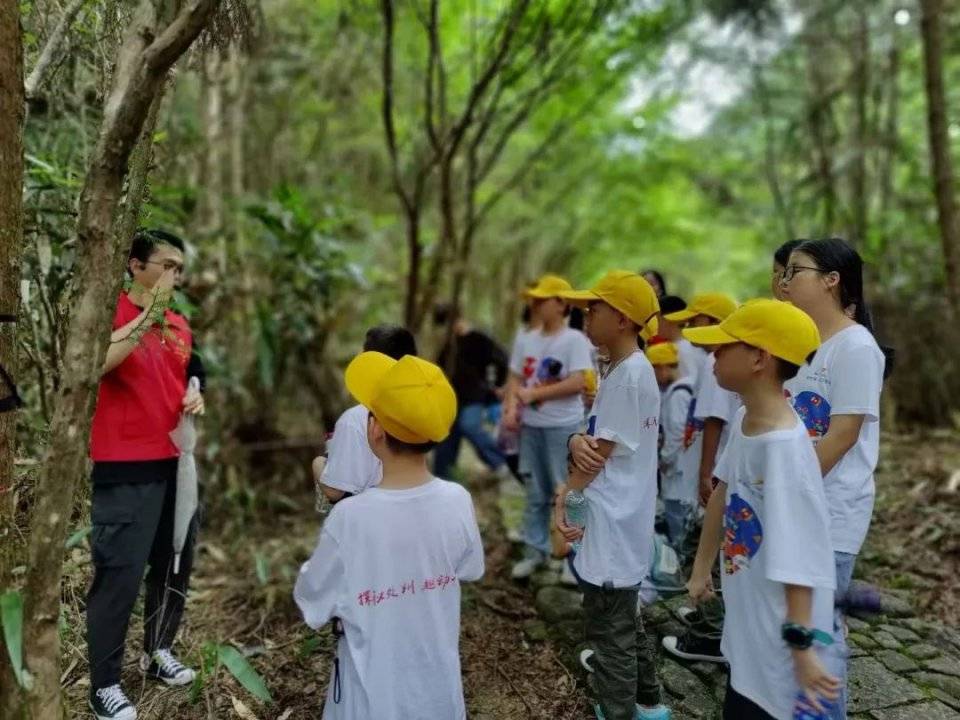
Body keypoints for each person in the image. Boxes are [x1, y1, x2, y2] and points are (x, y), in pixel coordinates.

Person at [294, 352, 484, 719]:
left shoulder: (350, 519)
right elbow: (470, 568)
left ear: (375, 430)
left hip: (369, 700)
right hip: (439, 697)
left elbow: (312, 600)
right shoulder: (458, 501)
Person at [684, 299, 841, 720]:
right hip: (748, 625)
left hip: (782, 642)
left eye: (724, 346)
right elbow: (722, 491)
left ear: (759, 357)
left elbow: (802, 558)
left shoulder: (784, 449)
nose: (712, 355)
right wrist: (701, 567)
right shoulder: (743, 421)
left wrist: (802, 648)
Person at [86, 229, 205, 720]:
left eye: (179, 267)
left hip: (177, 461)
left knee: (174, 559)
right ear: (135, 266)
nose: (174, 275)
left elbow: (189, 371)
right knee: (120, 574)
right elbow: (98, 363)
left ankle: (158, 651)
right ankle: (103, 685)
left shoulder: (179, 324)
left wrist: (197, 390)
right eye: (166, 264)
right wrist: (147, 314)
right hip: (125, 466)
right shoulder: (109, 313)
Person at [779, 238, 887, 720]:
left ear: (831, 280)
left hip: (830, 511)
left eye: (795, 271)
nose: (785, 280)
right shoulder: (804, 345)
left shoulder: (856, 348)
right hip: (795, 503)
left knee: (818, 638)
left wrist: (786, 493)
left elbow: (842, 435)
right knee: (798, 629)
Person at [556, 270, 671, 720]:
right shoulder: (626, 370)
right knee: (627, 619)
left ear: (623, 319)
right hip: (624, 519)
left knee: (610, 630)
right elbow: (592, 442)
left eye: (594, 307)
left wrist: (565, 498)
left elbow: (593, 458)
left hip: (613, 523)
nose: (586, 314)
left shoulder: (627, 377)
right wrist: (573, 441)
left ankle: (619, 710)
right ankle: (648, 701)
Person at [660, 292, 737, 664]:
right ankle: (721, 625)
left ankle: (710, 634)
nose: (689, 329)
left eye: (696, 322)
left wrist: (706, 475)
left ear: (713, 322)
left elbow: (713, 419)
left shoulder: (715, 361)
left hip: (723, 470)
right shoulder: (731, 356)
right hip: (735, 471)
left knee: (703, 551)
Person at [503, 274, 594, 580]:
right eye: (535, 300)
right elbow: (515, 375)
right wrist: (512, 407)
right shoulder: (526, 338)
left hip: (562, 427)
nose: (536, 305)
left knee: (570, 492)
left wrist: (536, 394)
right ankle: (535, 550)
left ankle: (574, 556)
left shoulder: (575, 340)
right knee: (535, 491)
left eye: (543, 299)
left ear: (561, 304)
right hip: (532, 426)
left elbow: (580, 380)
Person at [312, 325, 418, 507]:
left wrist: (318, 464)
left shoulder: (354, 419)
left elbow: (335, 491)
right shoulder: (421, 410)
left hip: (365, 521)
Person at [432, 304, 511, 481]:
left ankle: (500, 462)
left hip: (475, 395)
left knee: (470, 425)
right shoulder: (448, 347)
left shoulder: (478, 339)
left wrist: (498, 385)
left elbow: (502, 359)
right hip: (452, 399)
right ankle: (442, 477)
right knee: (446, 437)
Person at [646, 342, 694, 557]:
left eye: (654, 370)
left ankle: (681, 563)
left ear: (663, 367)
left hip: (677, 471)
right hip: (687, 467)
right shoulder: (691, 385)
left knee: (678, 521)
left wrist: (663, 460)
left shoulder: (676, 395)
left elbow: (675, 436)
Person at [657, 295, 700, 381]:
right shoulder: (684, 346)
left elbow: (690, 385)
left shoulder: (682, 349)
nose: (656, 325)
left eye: (658, 320)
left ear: (668, 319)